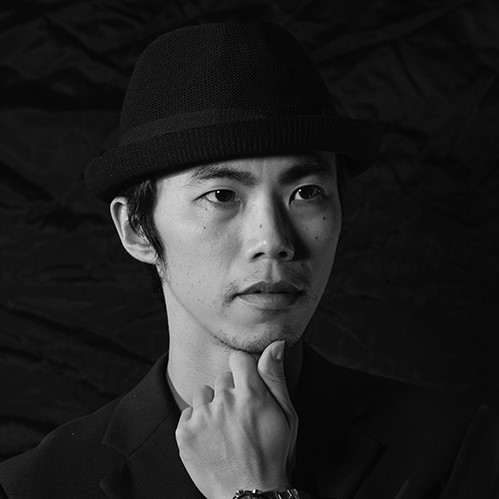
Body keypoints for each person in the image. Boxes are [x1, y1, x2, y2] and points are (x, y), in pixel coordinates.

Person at [0, 21, 497, 499]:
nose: (273, 240)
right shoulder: (37, 486)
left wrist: (259, 491)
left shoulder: (457, 451)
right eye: (221, 195)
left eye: (306, 192)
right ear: (135, 228)